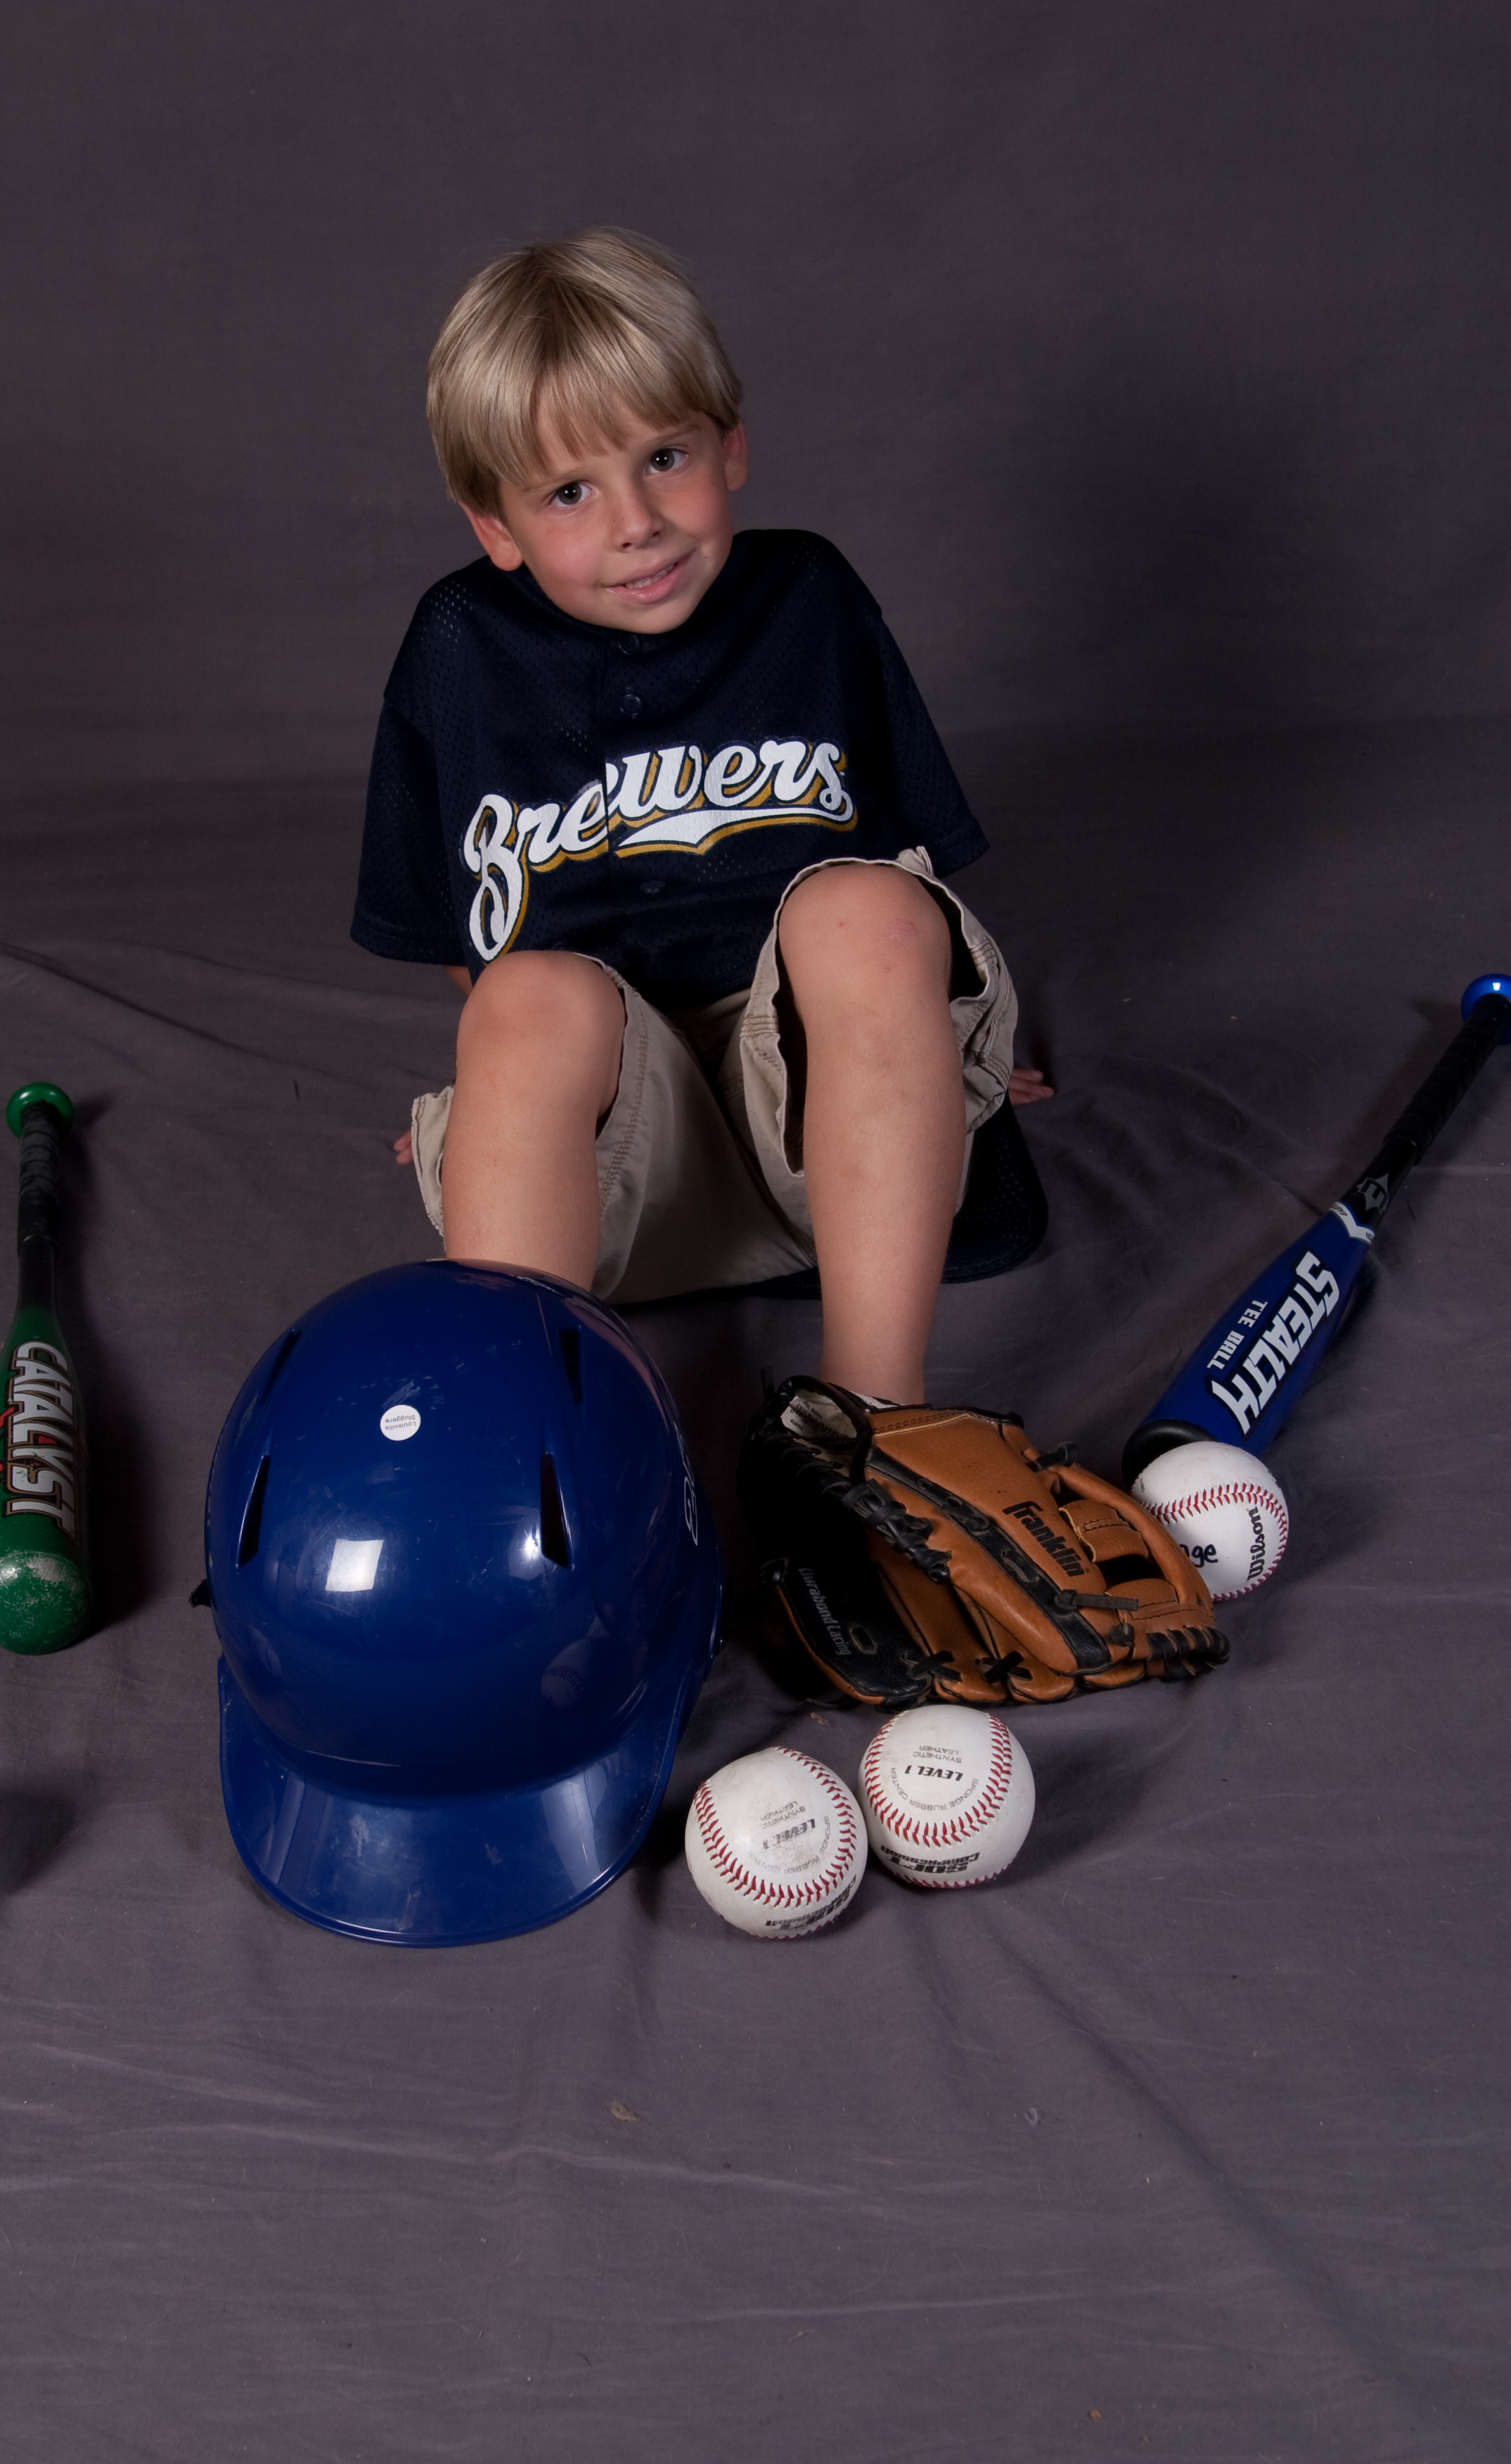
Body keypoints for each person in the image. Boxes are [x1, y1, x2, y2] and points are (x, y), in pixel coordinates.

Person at [352, 229, 1050, 1407]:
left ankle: (872, 1418)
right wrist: (511, 1102)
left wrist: (924, 1049)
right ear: (495, 527)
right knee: (524, 1000)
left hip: (825, 1148)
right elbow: (459, 930)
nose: (636, 521)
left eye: (664, 458)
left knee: (870, 910)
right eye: (569, 492)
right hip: (619, 1184)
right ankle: (526, 1439)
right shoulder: (458, 646)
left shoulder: (808, 597)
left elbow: (905, 879)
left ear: (731, 446)